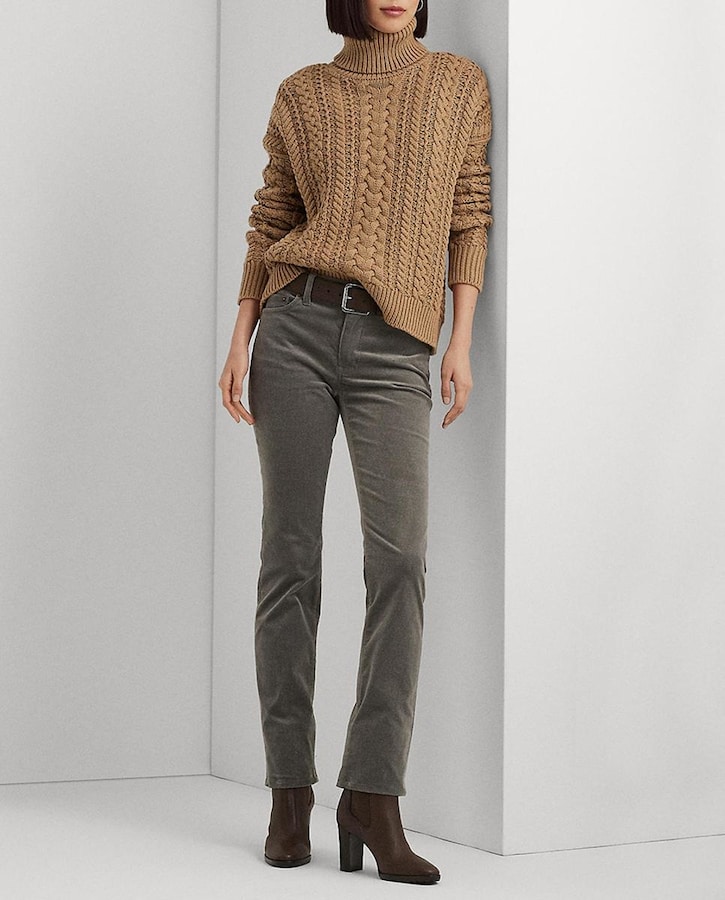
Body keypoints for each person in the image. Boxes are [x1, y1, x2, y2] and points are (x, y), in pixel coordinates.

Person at [218, 0, 492, 886]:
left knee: (399, 563)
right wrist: (240, 336)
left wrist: (458, 339)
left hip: (395, 345)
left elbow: (468, 210)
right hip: (293, 331)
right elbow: (271, 217)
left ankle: (372, 794)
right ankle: (288, 791)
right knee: (289, 561)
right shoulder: (303, 93)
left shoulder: (455, 85)